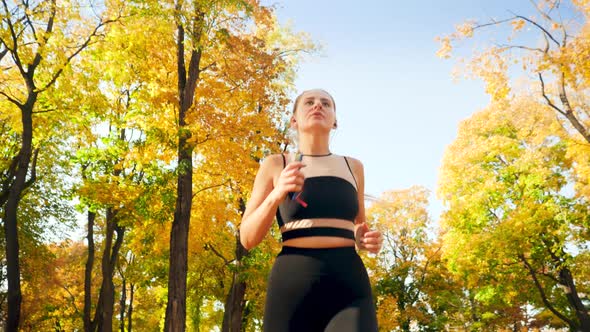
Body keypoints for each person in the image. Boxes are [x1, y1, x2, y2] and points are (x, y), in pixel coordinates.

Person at [240, 89, 382, 331]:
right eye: (309, 102)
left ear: (335, 121)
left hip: (348, 282)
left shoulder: (353, 166)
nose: (318, 106)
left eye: (326, 103)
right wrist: (277, 192)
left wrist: (365, 239)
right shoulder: (276, 164)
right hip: (293, 282)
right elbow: (247, 238)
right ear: (294, 120)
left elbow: (359, 224)